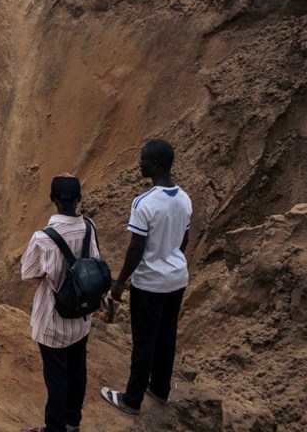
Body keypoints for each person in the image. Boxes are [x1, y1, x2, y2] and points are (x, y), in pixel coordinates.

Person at [101, 139, 192, 416]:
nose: (139, 164)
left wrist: (119, 282)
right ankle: (161, 390)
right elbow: (184, 240)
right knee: (167, 336)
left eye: (143, 160)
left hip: (150, 284)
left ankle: (131, 399)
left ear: (156, 164)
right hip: (176, 278)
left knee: (144, 342)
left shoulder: (144, 203)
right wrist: (168, 258)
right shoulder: (184, 198)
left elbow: (136, 248)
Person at [21, 174, 101, 432]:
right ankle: (72, 422)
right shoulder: (88, 227)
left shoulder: (43, 238)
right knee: (77, 371)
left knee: (56, 377)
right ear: (79, 199)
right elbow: (95, 261)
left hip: (53, 321)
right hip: (81, 318)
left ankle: (54, 428)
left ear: (53, 199)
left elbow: (29, 273)